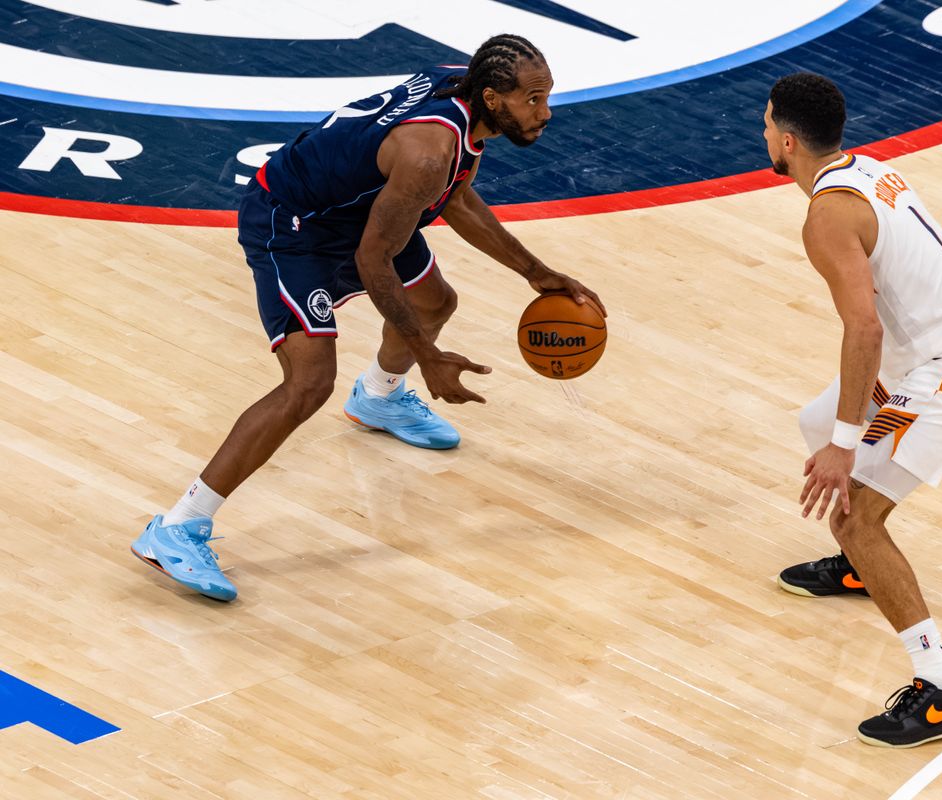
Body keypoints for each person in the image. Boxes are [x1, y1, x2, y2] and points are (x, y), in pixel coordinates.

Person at [131, 34, 604, 602]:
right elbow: (373, 259)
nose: (545, 112)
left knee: (436, 301)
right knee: (308, 385)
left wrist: (534, 272)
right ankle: (178, 527)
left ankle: (377, 398)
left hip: (359, 210)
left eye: (546, 96)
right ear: (493, 97)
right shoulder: (426, 154)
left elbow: (455, 196)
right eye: (533, 99)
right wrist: (428, 358)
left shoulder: (462, 100)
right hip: (294, 224)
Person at [763, 73, 942, 748]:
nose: (764, 137)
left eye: (766, 128)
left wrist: (850, 445)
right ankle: (859, 567)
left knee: (855, 510)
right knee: (816, 425)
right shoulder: (866, 168)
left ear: (787, 142)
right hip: (939, 345)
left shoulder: (825, 217)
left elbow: (865, 330)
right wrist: (839, 435)